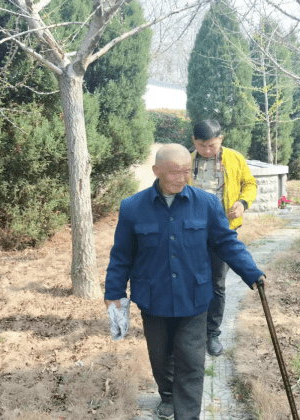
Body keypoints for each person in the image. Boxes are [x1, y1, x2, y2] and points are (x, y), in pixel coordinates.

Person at [104, 144, 265, 420]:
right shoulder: (133, 207)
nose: (182, 178)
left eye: (186, 172)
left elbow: (226, 242)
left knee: (191, 363)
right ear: (156, 171)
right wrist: (114, 292)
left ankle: (188, 414)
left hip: (194, 298)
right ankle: (167, 395)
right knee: (160, 359)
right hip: (153, 298)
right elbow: (121, 255)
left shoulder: (207, 203)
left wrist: (252, 272)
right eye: (174, 173)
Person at [189, 119, 258, 356]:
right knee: (193, 281)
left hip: (222, 231)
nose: (207, 150)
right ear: (193, 142)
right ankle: (193, 331)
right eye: (202, 145)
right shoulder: (186, 161)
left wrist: (242, 202)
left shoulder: (234, 158)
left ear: (221, 140)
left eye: (213, 145)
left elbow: (249, 184)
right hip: (191, 232)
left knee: (217, 283)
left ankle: (212, 333)